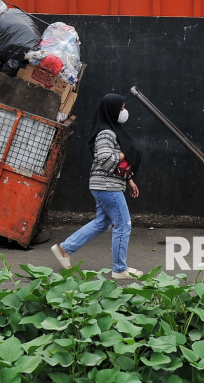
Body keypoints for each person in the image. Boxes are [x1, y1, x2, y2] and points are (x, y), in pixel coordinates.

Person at [51, 93, 142, 279]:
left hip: (106, 185)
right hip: (107, 186)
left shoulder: (111, 130)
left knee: (103, 223)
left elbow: (114, 164)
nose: (124, 111)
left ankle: (64, 249)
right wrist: (125, 153)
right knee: (124, 225)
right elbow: (105, 160)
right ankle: (119, 269)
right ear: (112, 110)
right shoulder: (106, 133)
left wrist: (129, 180)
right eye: (122, 108)